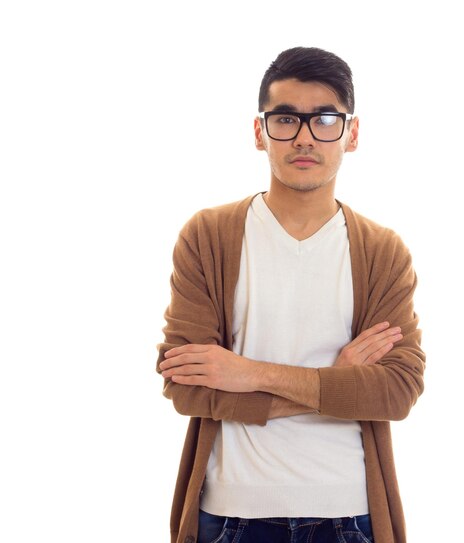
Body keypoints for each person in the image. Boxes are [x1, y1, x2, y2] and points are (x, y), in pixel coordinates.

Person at [157, 46, 426, 543]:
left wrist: (249, 374)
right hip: (231, 514)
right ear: (260, 132)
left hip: (349, 514)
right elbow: (185, 385)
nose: (304, 137)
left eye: (325, 119)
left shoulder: (382, 251)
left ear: (352, 133)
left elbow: (397, 390)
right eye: (285, 118)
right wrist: (337, 384)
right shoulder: (209, 235)